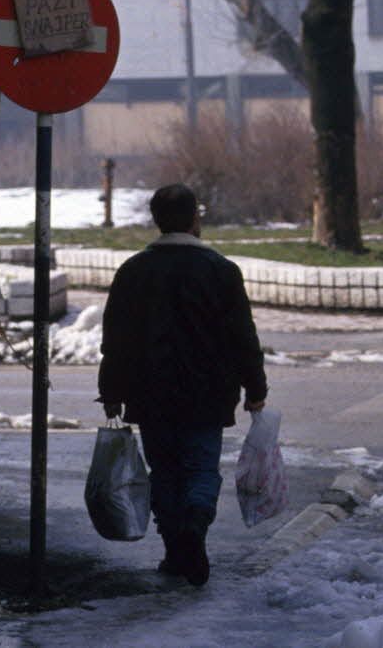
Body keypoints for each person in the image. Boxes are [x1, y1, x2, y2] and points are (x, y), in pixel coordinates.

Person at [97, 183, 269, 585]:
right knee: (200, 468)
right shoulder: (221, 271)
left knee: (165, 471)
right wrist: (255, 388)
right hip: (208, 393)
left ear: (157, 221)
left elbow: (116, 339)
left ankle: (175, 549)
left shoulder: (134, 271)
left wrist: (112, 391)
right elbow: (243, 336)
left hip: (150, 392)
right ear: (195, 219)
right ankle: (195, 526)